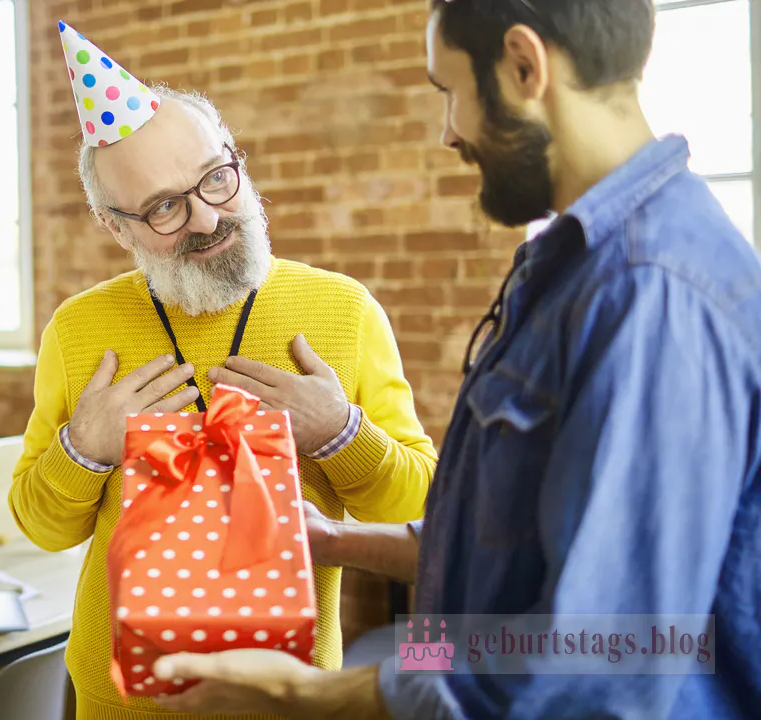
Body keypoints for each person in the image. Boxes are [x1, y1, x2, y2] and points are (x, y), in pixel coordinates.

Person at [154, 0, 761, 717]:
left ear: (524, 64)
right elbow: (517, 544)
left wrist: (309, 696)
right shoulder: (574, 266)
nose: (450, 133)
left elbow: (606, 653)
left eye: (451, 94)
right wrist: (330, 538)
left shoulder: (647, 290)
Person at [9, 23, 436, 720]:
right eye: (164, 208)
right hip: (119, 701)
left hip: (286, 698)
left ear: (235, 160)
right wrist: (82, 450)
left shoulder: (343, 310)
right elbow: (41, 526)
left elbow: (414, 506)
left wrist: (339, 432)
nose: (207, 217)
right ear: (117, 226)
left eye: (215, 178)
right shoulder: (77, 330)